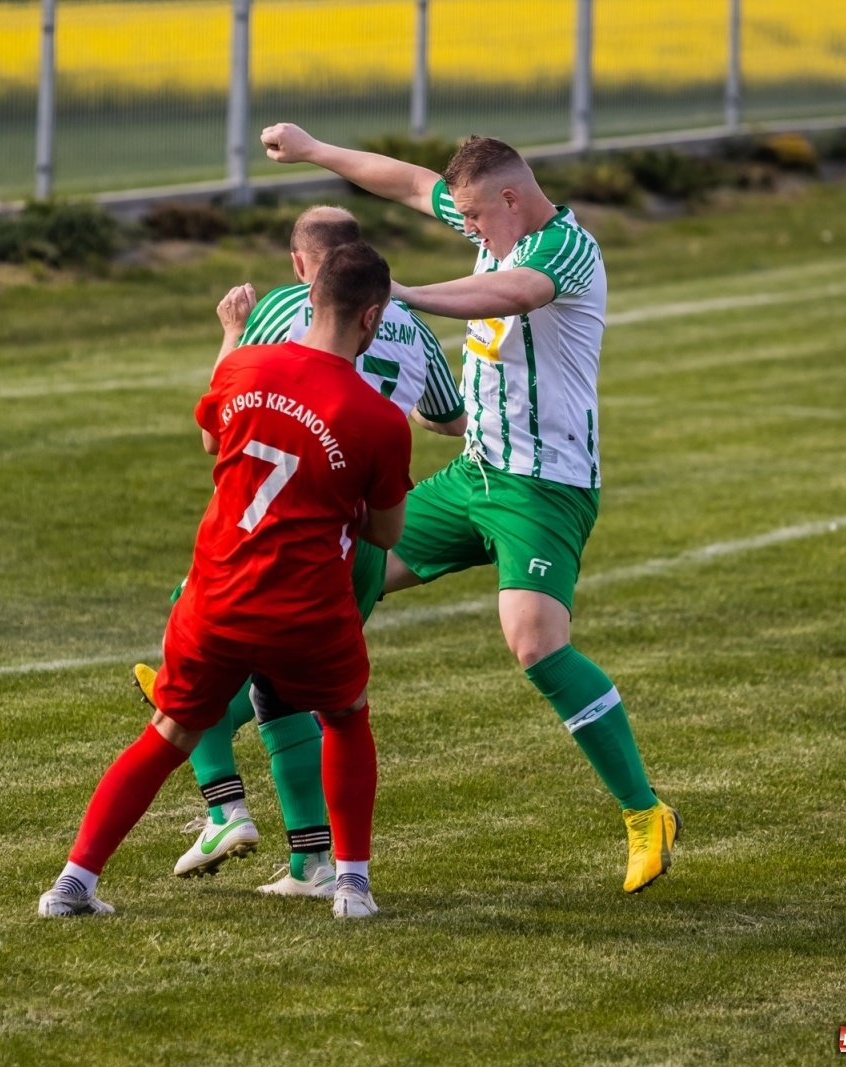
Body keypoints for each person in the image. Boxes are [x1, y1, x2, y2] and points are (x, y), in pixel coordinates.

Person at [256, 124, 680, 893]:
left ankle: (646, 812)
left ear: (512, 199)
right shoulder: (492, 218)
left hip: (543, 485)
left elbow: (513, 294)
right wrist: (317, 150)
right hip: (473, 474)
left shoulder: (565, 251)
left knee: (534, 643)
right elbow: (410, 182)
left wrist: (403, 295)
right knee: (334, 575)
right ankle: (272, 802)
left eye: (478, 218)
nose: (470, 230)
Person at [39, 243, 414, 920]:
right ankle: (350, 883)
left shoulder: (244, 362)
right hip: (307, 606)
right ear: (373, 316)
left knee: (168, 732)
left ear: (311, 295)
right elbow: (386, 533)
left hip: (216, 594)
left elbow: (214, 440)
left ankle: (73, 883)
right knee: (345, 716)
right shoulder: (378, 417)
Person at [131, 204, 465, 897]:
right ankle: (318, 863)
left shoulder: (282, 307)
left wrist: (228, 333)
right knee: (293, 691)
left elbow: (216, 427)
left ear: (301, 268)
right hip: (362, 539)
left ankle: (226, 808)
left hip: (271, 527)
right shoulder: (410, 327)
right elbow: (450, 417)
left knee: (195, 666)